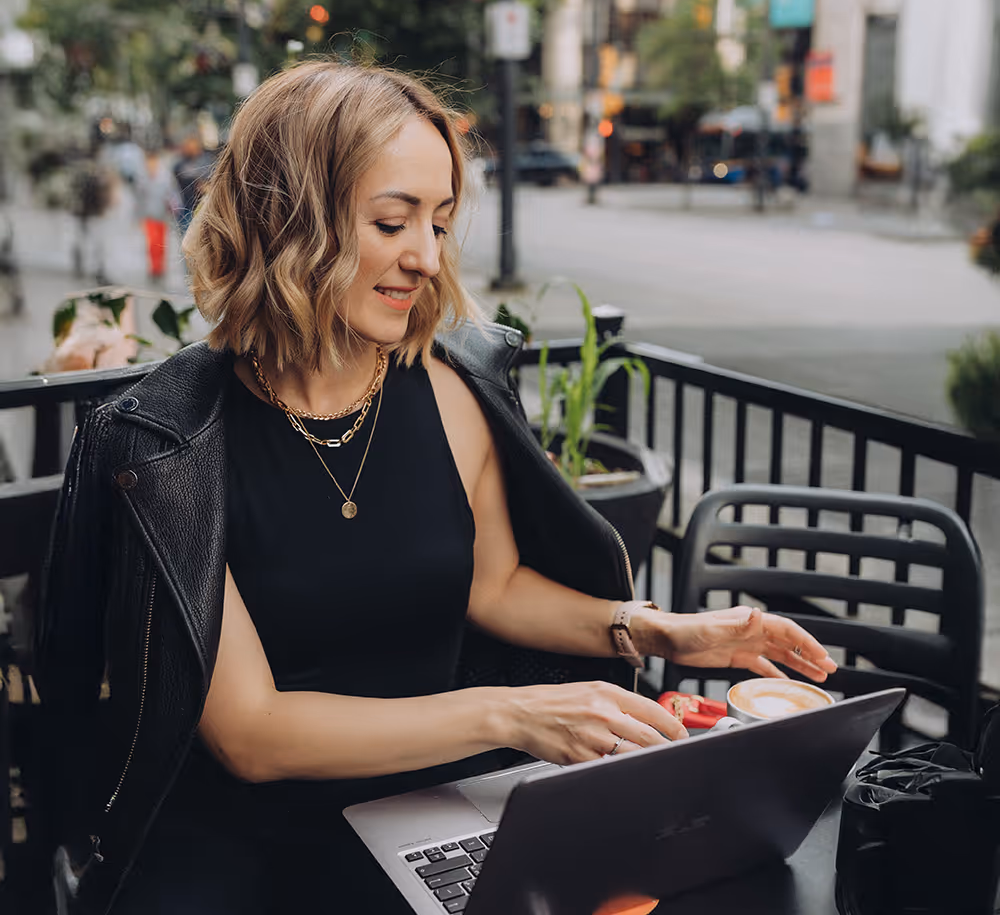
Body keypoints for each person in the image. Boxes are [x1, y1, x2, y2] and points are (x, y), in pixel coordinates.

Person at [36, 60, 836, 915]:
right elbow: (252, 735)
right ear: (287, 219)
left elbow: (493, 588)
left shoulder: (449, 387)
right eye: (392, 220)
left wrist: (656, 628)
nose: (424, 257)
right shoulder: (167, 444)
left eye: (441, 224)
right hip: (241, 839)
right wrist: (509, 715)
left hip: (434, 804)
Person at [135, 148, 180, 282]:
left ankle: (160, 267)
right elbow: (139, 198)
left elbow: (173, 193)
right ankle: (154, 268)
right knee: (152, 243)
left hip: (162, 215)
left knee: (161, 243)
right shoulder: (142, 177)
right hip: (149, 215)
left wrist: (175, 208)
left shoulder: (165, 176)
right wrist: (138, 215)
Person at [171, 134, 214, 234]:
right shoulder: (180, 164)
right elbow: (183, 173)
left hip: (203, 208)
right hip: (186, 208)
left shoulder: (205, 161)